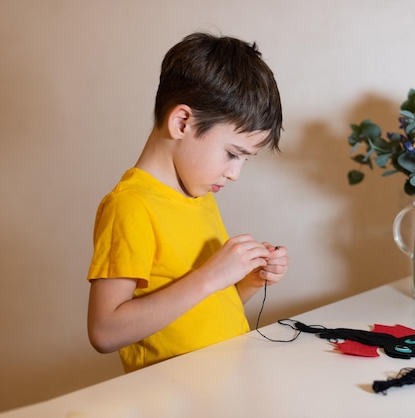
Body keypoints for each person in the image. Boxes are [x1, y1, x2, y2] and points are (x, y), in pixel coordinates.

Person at [86, 32, 289, 373]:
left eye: (244, 160)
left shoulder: (199, 194)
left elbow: (194, 315)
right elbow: (104, 332)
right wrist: (211, 276)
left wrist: (246, 282)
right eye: (231, 154)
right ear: (182, 122)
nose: (235, 173)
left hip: (224, 381)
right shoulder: (131, 206)